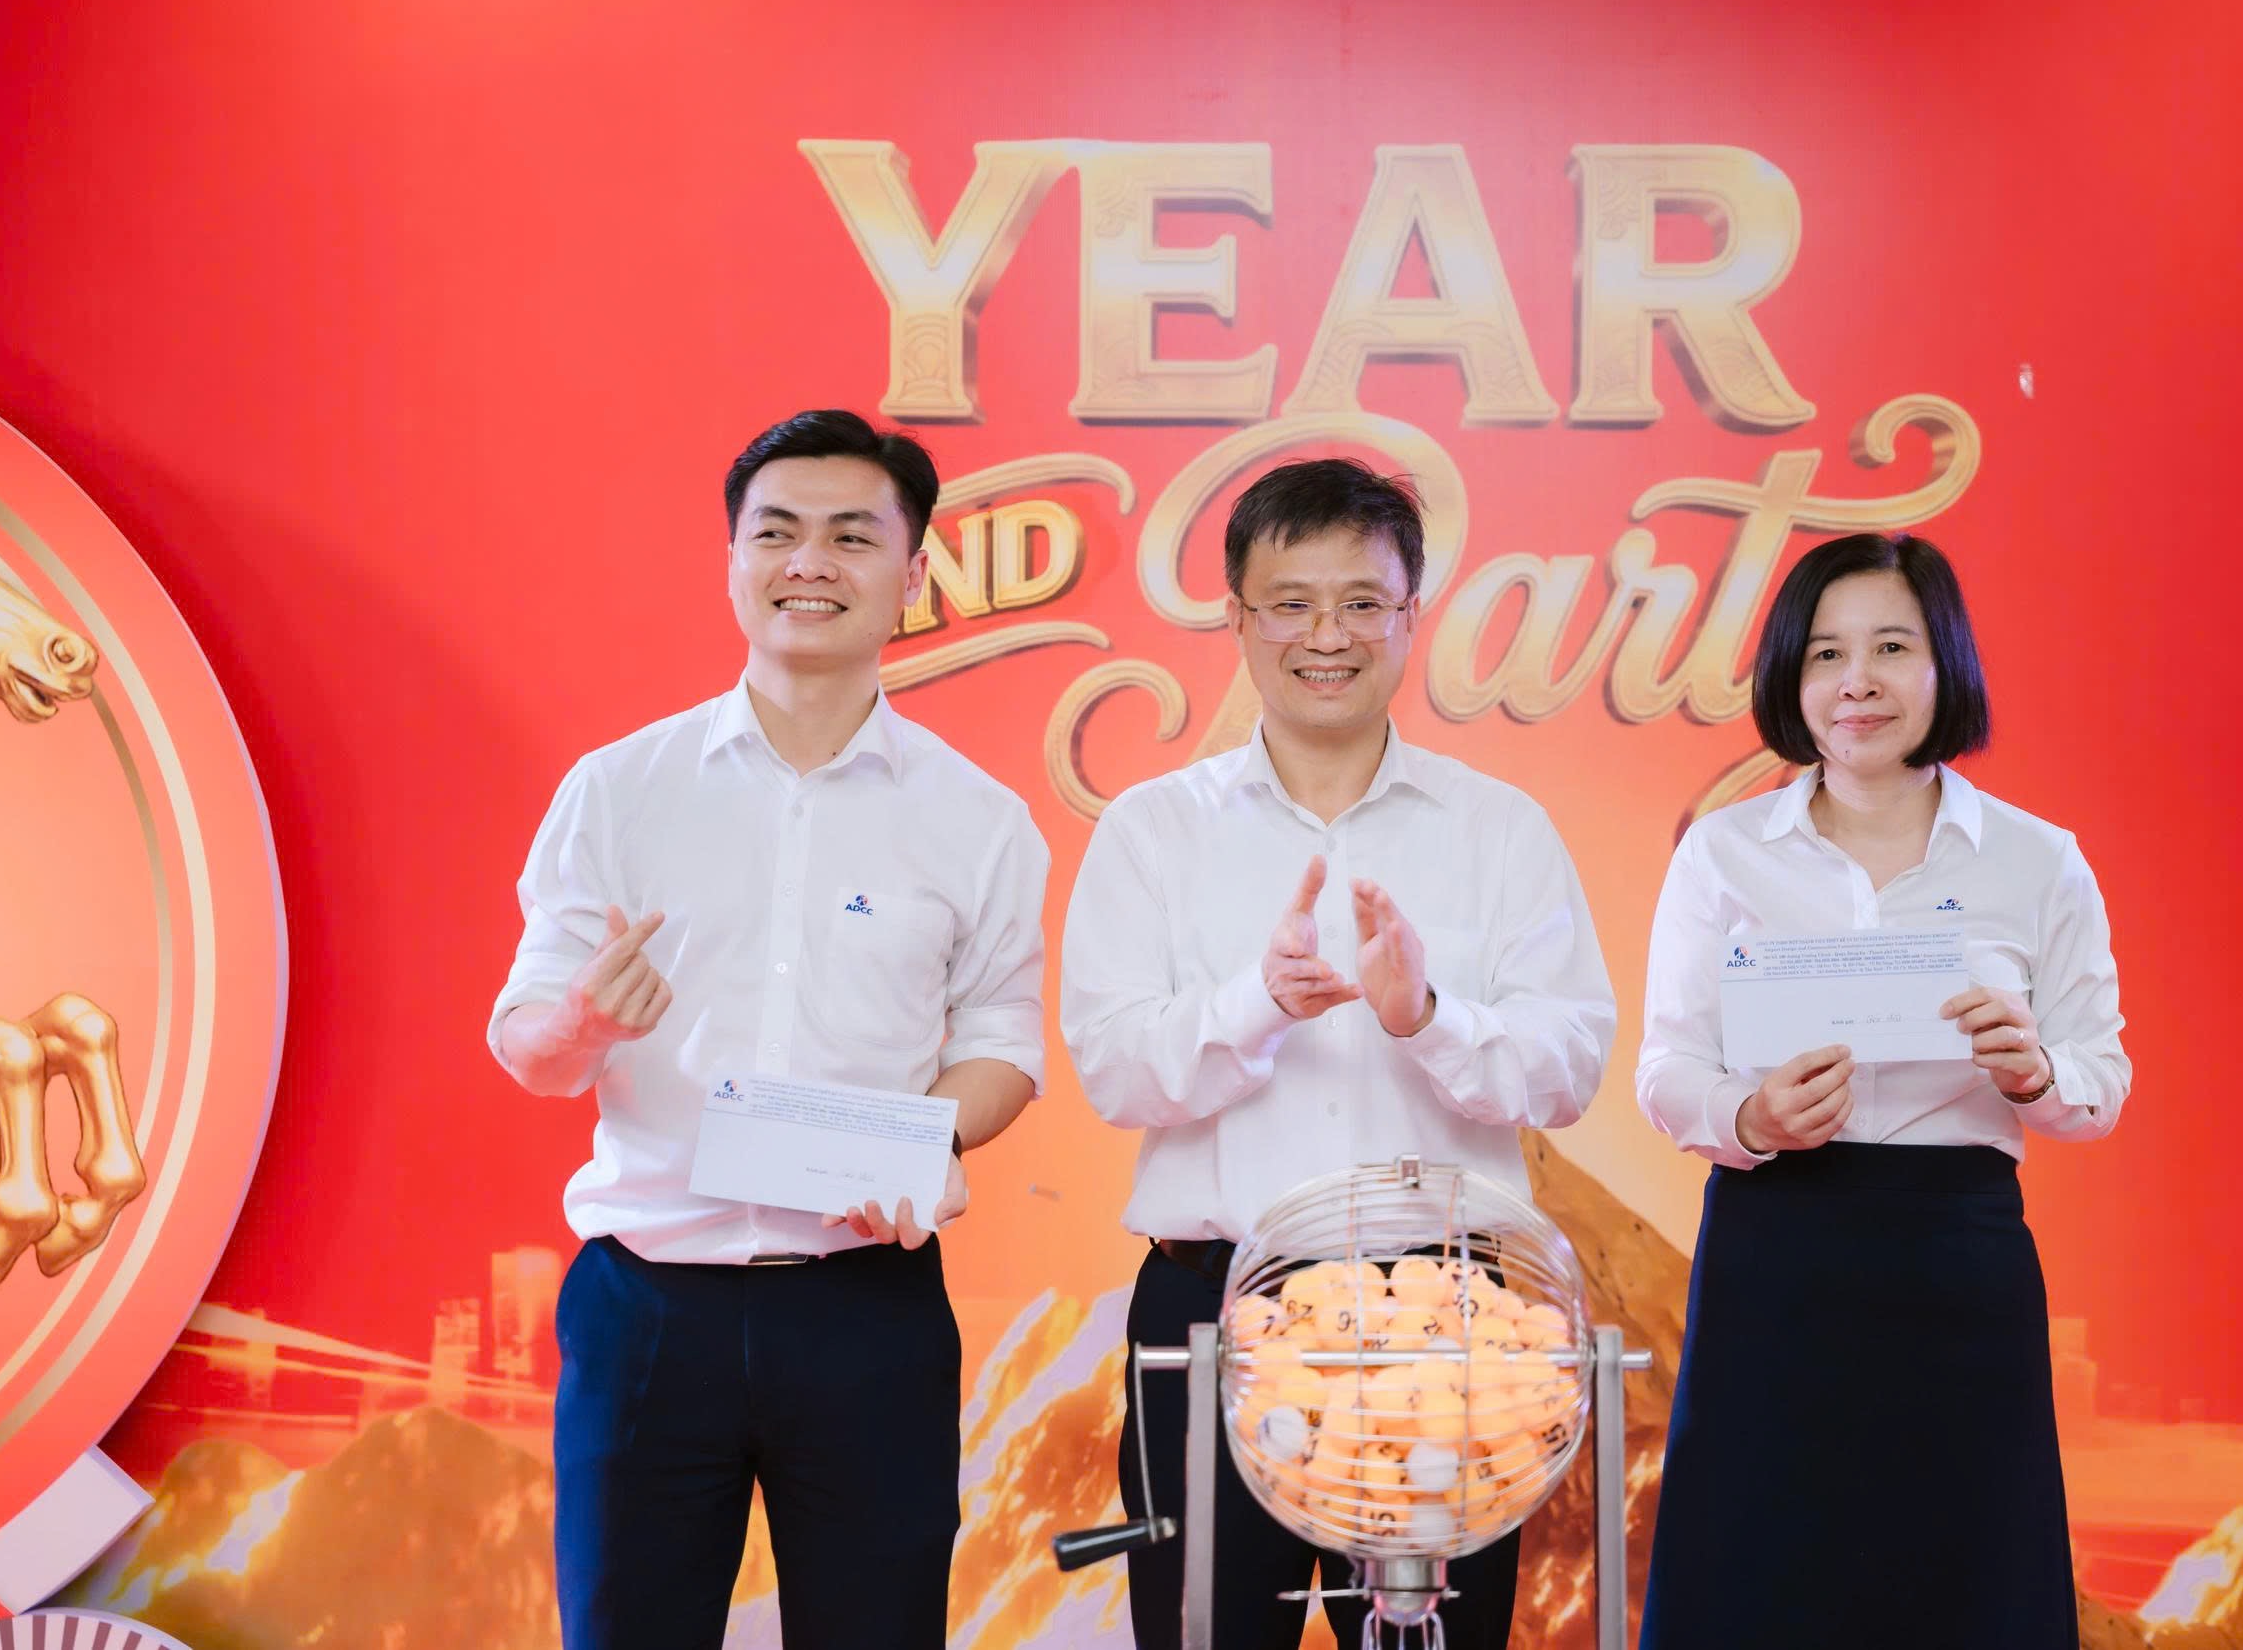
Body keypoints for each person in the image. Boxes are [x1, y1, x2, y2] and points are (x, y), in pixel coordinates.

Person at [486, 410, 1049, 1650]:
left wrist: (919, 1143)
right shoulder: (619, 790)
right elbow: (526, 1045)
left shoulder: (979, 819)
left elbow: (1005, 1045)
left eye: (851, 536)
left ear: (913, 574)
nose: (809, 563)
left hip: (867, 1306)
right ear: (732, 561)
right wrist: (583, 1020)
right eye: (777, 533)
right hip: (648, 1307)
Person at [1062, 457, 1618, 1650]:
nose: (1328, 635)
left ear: (1412, 616)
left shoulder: (1498, 829)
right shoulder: (1153, 831)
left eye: (1363, 602)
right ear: (1237, 618)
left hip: (1448, 1321)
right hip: (1211, 1314)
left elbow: (1569, 1067)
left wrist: (1427, 1018)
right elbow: (1112, 1069)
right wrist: (1255, 1003)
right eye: (1292, 603)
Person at [1634, 531, 2127, 1648]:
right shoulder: (1722, 854)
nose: (1856, 681)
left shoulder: (2037, 860)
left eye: (1891, 647)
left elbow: (2100, 1078)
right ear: (1789, 676)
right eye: (1825, 654)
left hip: (1957, 1263)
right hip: (1774, 1253)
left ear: (1945, 662)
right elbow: (1666, 1070)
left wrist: (2035, 1071)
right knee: (1758, 1585)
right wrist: (1749, 1116)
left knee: (1965, 1589)